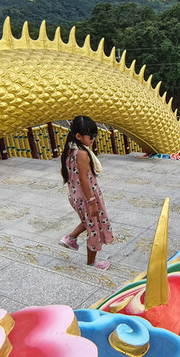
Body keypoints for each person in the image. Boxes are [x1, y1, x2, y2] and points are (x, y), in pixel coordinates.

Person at [59, 115, 113, 270]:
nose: (94, 139)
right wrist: (92, 202)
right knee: (94, 228)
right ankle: (92, 263)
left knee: (89, 222)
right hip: (87, 196)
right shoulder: (82, 154)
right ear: (78, 136)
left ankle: (70, 238)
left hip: (77, 195)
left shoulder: (71, 149)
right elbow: (83, 179)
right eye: (92, 136)